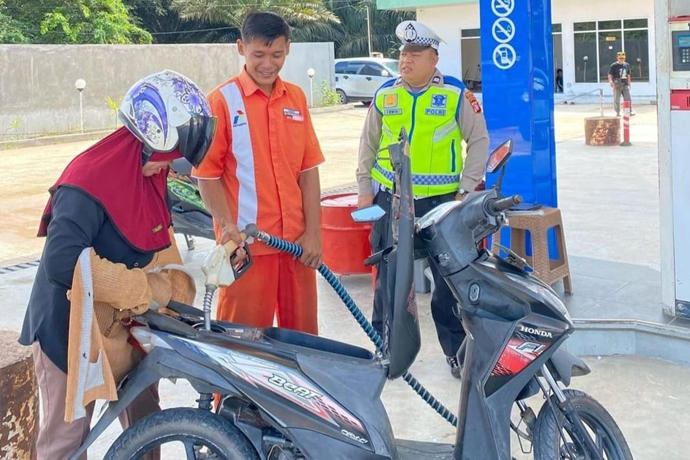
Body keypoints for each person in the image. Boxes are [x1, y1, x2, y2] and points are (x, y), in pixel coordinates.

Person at [18, 70, 215, 459]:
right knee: (66, 438)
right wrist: (145, 289)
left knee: (147, 427)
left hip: (121, 326)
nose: (170, 170)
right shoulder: (88, 180)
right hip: (67, 329)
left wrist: (181, 285)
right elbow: (62, 263)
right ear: (144, 146)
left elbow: (162, 249)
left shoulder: (148, 178)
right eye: (165, 161)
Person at [356, 20, 489, 378]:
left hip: (442, 206)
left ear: (434, 58)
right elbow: (367, 144)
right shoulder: (386, 95)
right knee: (388, 280)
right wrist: (364, 188)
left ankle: (456, 353)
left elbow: (479, 142)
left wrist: (466, 190)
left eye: (415, 54)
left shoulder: (456, 95)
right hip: (392, 202)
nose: (405, 61)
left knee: (448, 282)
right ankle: (385, 349)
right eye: (403, 54)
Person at [192, 11, 324, 334]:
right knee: (241, 342)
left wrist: (314, 234)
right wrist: (227, 228)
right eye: (259, 55)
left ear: (288, 49)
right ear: (241, 48)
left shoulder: (296, 98)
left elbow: (308, 171)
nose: (268, 64)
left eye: (277, 55)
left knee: (303, 340)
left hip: (296, 247)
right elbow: (206, 176)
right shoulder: (221, 101)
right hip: (246, 249)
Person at [608, 51, 633, 117]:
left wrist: (629, 83)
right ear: (617, 58)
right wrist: (611, 81)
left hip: (625, 84)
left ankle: (628, 112)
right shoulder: (613, 65)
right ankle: (617, 112)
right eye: (620, 58)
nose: (621, 59)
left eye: (623, 58)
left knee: (627, 98)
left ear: (625, 58)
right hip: (617, 85)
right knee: (616, 99)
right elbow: (610, 75)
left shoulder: (627, 65)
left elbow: (628, 75)